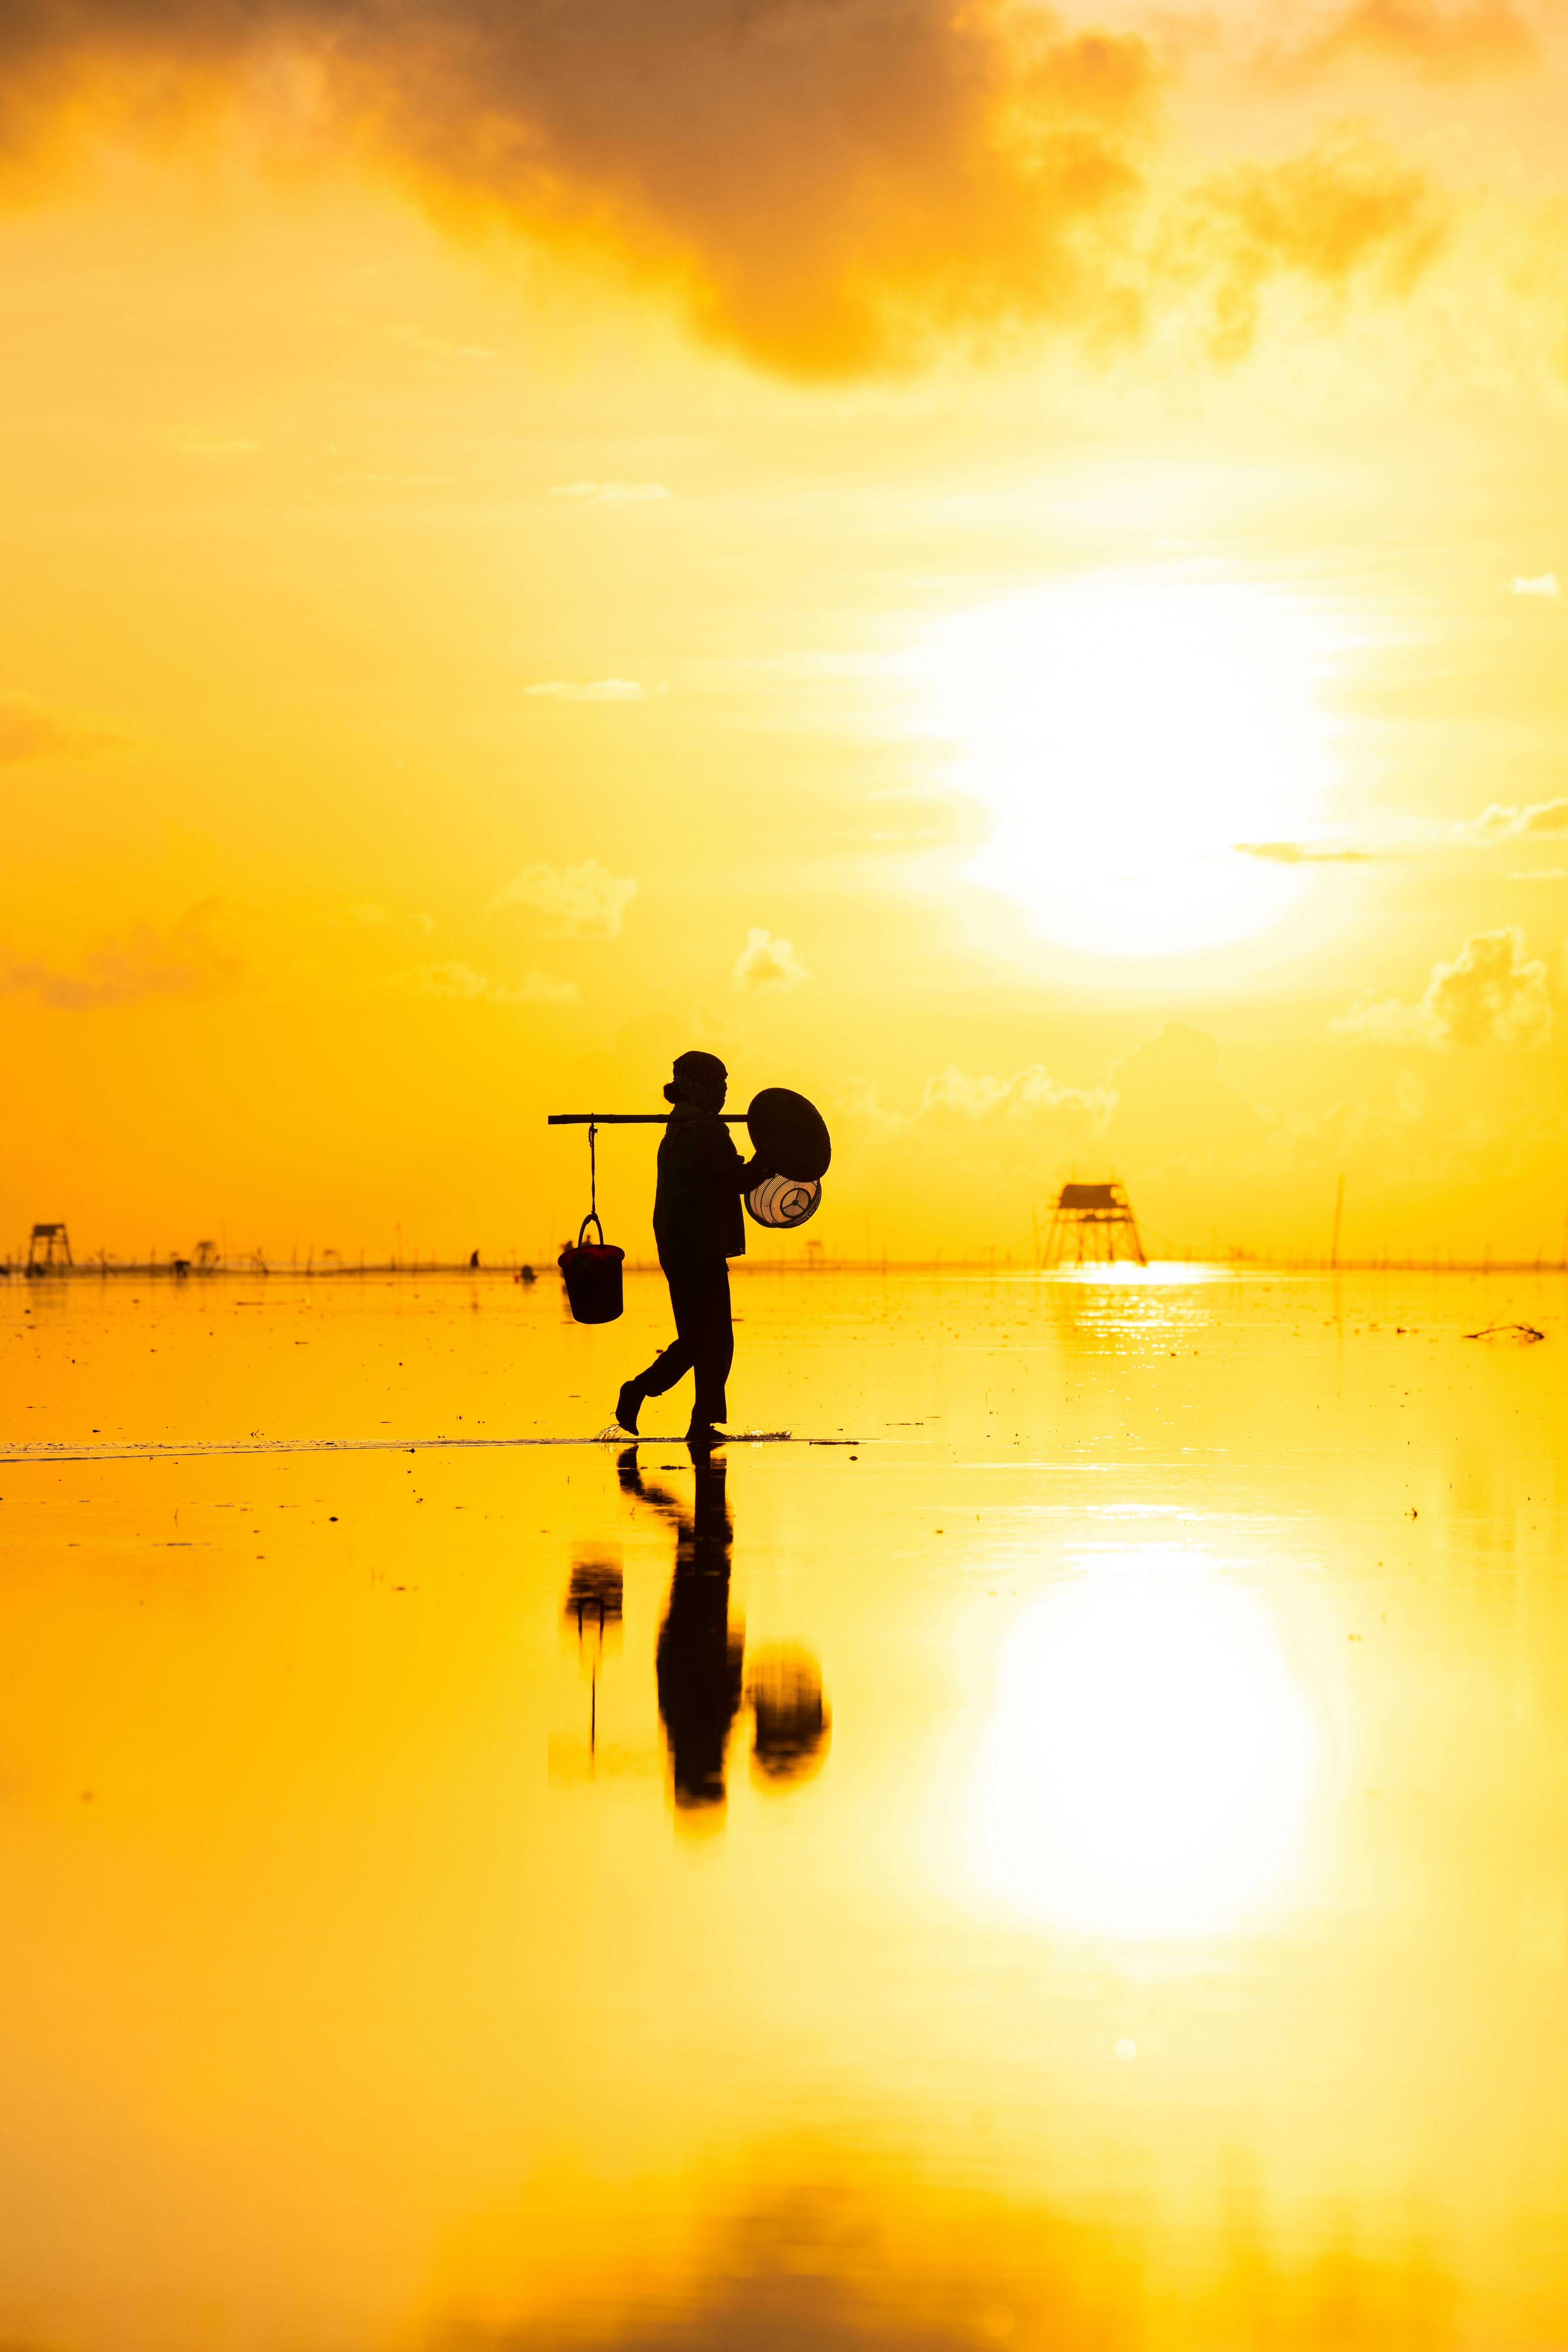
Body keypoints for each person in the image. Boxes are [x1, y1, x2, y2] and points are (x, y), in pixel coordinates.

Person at [613, 1050, 770, 1447]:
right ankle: (680, 1410)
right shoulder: (705, 1130)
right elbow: (737, 1180)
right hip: (700, 1246)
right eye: (718, 1085)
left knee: (698, 1339)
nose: (723, 1093)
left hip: (677, 1244)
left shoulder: (678, 1126)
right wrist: (770, 1159)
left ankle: (664, 1402)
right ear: (700, 1087)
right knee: (714, 1341)